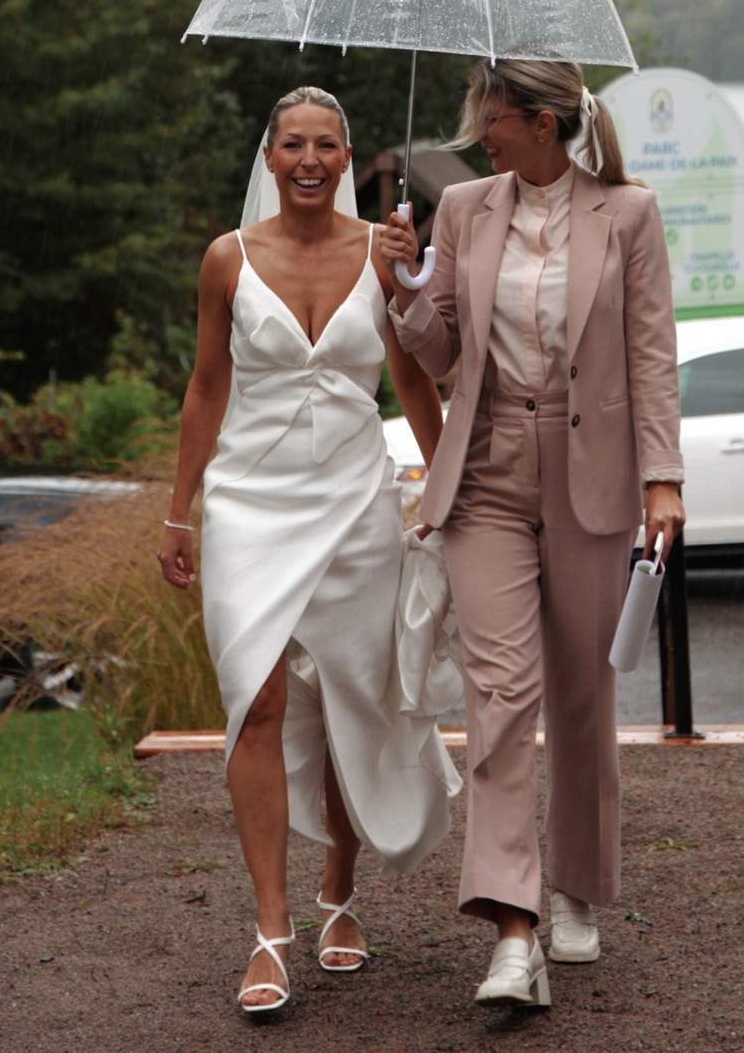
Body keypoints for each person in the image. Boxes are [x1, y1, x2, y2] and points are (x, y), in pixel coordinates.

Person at [379, 58, 685, 1011]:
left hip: (592, 474)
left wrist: (662, 480)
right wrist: (399, 285)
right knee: (500, 693)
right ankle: (514, 930)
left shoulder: (628, 214)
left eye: (494, 119)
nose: (481, 136)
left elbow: (651, 353)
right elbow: (440, 348)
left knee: (584, 695)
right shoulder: (464, 207)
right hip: (486, 469)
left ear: (545, 124)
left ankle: (579, 887)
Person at [158, 85, 459, 1016]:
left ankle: (341, 893)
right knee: (256, 698)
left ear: (347, 153)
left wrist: (450, 490)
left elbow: (412, 376)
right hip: (251, 503)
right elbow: (207, 387)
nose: (310, 161)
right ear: (269, 154)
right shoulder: (226, 260)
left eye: (326, 144)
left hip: (354, 501)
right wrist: (180, 511)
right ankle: (270, 929)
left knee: (349, 700)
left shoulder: (385, 250)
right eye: (293, 144)